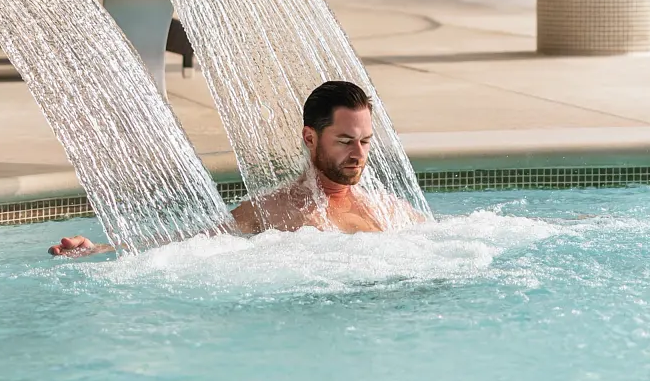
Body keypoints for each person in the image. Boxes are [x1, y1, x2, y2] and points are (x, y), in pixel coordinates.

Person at [50, 80, 397, 257]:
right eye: (345, 141)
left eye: (365, 141)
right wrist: (100, 249)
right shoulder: (271, 210)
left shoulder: (387, 210)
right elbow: (185, 244)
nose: (358, 153)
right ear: (310, 138)